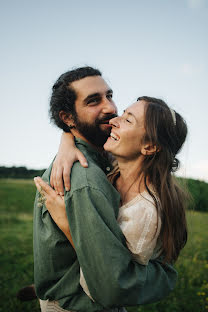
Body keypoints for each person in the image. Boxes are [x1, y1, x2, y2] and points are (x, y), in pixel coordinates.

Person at [33, 66, 179, 312]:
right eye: (93, 101)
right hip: (80, 304)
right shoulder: (85, 178)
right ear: (67, 118)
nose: (110, 108)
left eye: (109, 96)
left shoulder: (105, 161)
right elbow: (112, 280)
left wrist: (66, 138)